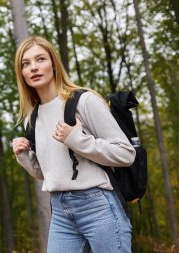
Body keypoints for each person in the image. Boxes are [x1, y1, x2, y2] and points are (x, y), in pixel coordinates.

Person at [12, 36, 136, 253]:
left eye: (40, 59)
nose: (34, 67)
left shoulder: (84, 101)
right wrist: (24, 156)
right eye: (26, 63)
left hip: (98, 207)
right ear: (21, 73)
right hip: (61, 213)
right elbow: (49, 173)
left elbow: (126, 154)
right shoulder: (32, 118)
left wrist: (77, 140)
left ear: (53, 63)